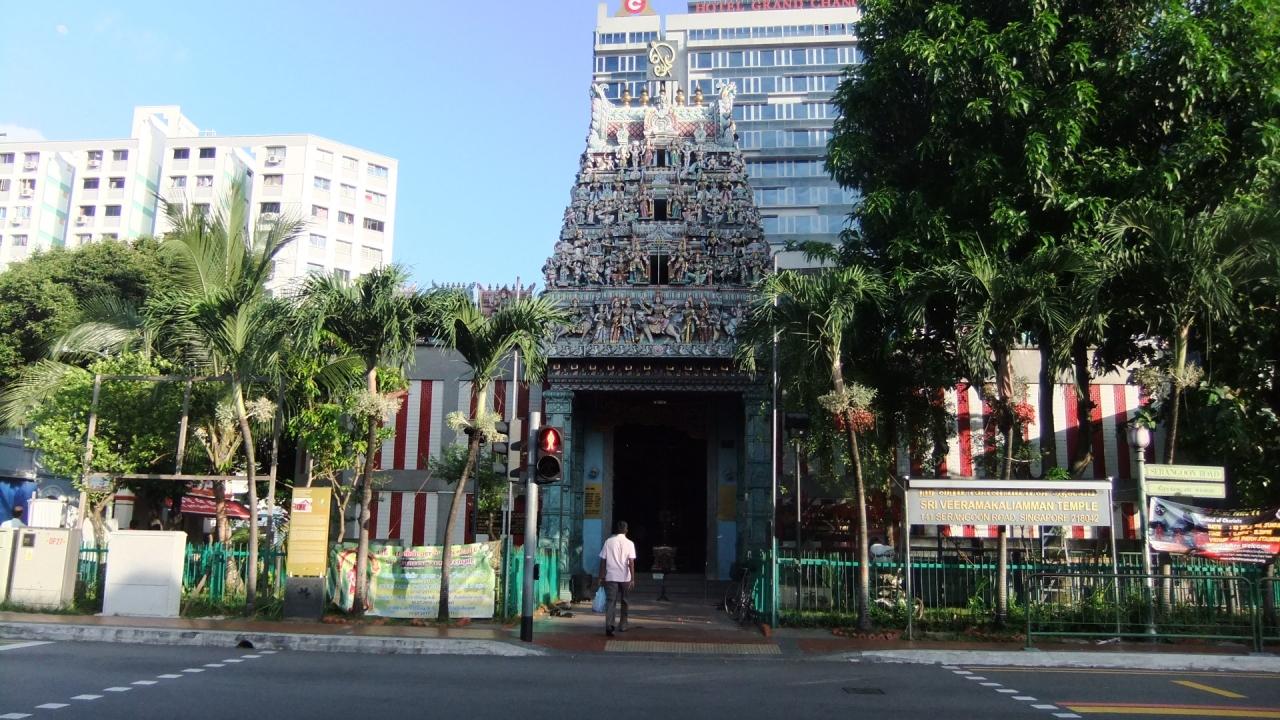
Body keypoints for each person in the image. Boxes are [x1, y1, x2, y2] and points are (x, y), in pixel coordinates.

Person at [597, 520, 637, 637]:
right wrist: (633, 578)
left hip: (611, 576)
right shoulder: (630, 543)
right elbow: (631, 562)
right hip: (625, 577)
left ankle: (609, 625)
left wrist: (601, 577)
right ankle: (623, 624)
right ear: (626, 530)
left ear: (617, 530)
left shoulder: (608, 542)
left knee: (611, 601)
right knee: (625, 601)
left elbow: (603, 561)